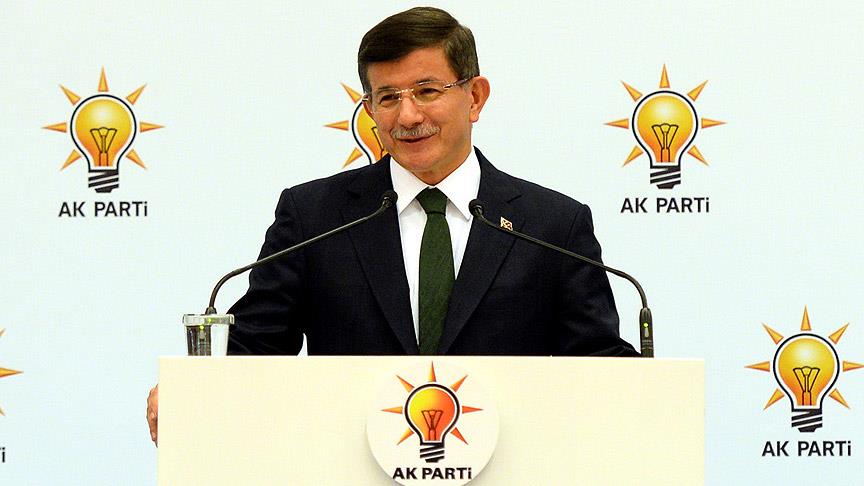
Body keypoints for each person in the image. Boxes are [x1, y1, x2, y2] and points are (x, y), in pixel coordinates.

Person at [147, 6, 638, 444]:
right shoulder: (315, 216)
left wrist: (655, 394)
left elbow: (596, 364)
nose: (407, 115)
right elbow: (256, 346)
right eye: (387, 97)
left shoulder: (552, 225)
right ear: (369, 109)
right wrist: (191, 390)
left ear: (475, 97)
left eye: (427, 91)